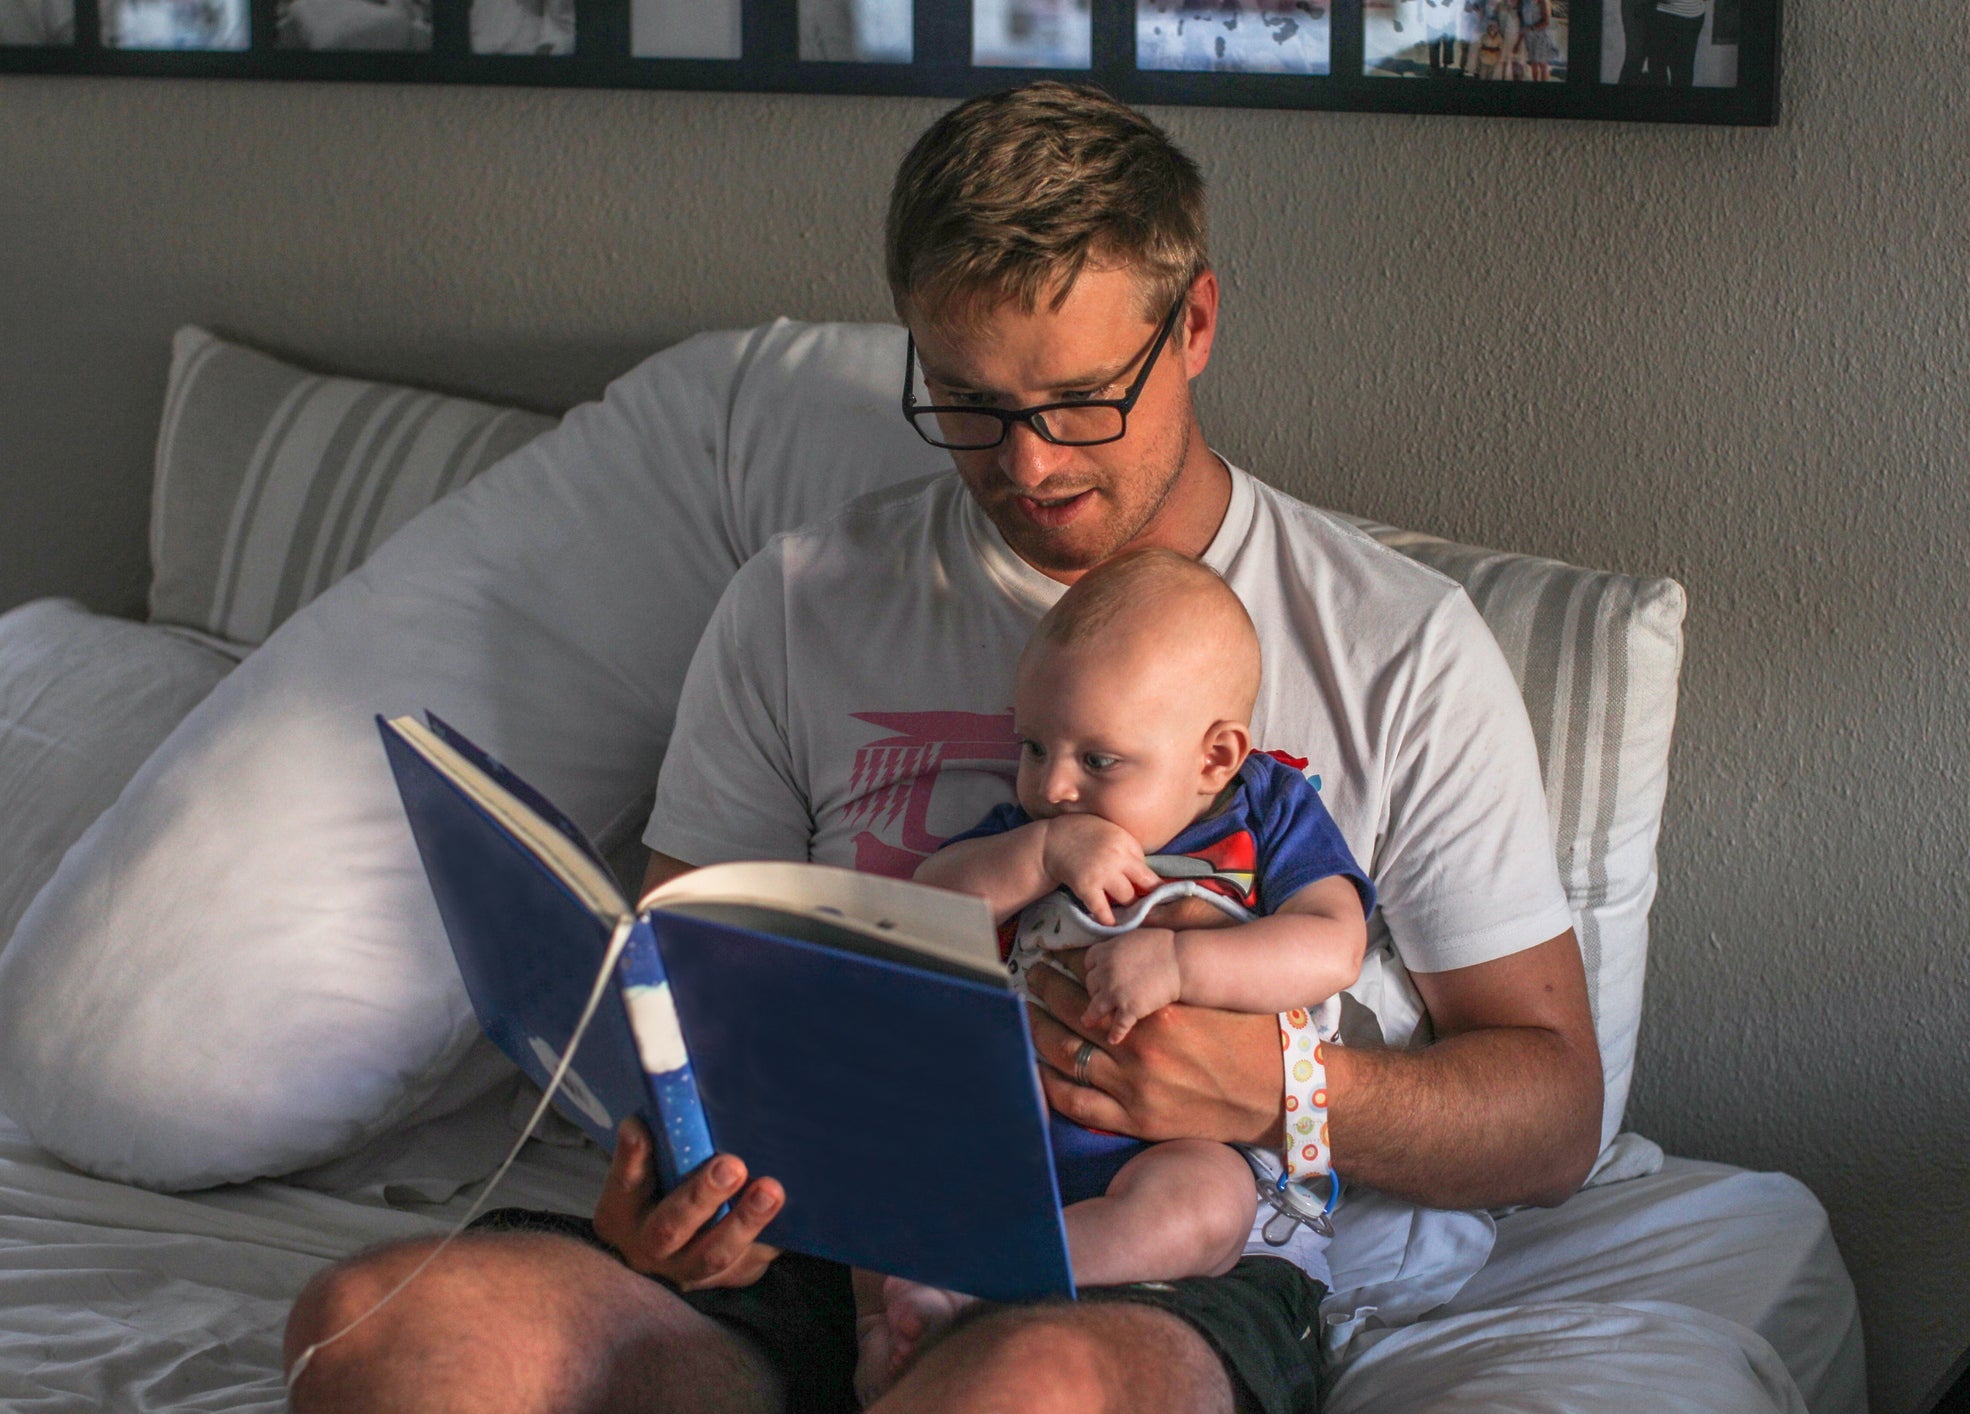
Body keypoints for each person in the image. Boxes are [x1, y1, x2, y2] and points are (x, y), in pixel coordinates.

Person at [283, 80, 1727, 1414]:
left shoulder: (1395, 644)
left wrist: (1272, 1089)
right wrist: (667, 1177)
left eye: (1079, 400)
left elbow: (1550, 1112)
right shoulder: (798, 602)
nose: (1026, 465)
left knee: (1024, 1388)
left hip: (1141, 1246)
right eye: (968, 405)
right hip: (815, 1223)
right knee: (379, 1330)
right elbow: (691, 987)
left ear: (1197, 325)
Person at [861, 549, 1370, 1392]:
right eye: (1033, 746)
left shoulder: (1264, 816)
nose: (1052, 784)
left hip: (1171, 1144)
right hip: (997, 1130)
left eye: (1098, 761)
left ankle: (986, 1279)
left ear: (1214, 758)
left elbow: (1330, 945)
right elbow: (919, 910)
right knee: (885, 1170)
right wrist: (1042, 853)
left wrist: (1181, 961)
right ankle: (884, 1337)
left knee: (1205, 1208)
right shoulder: (1031, 831)